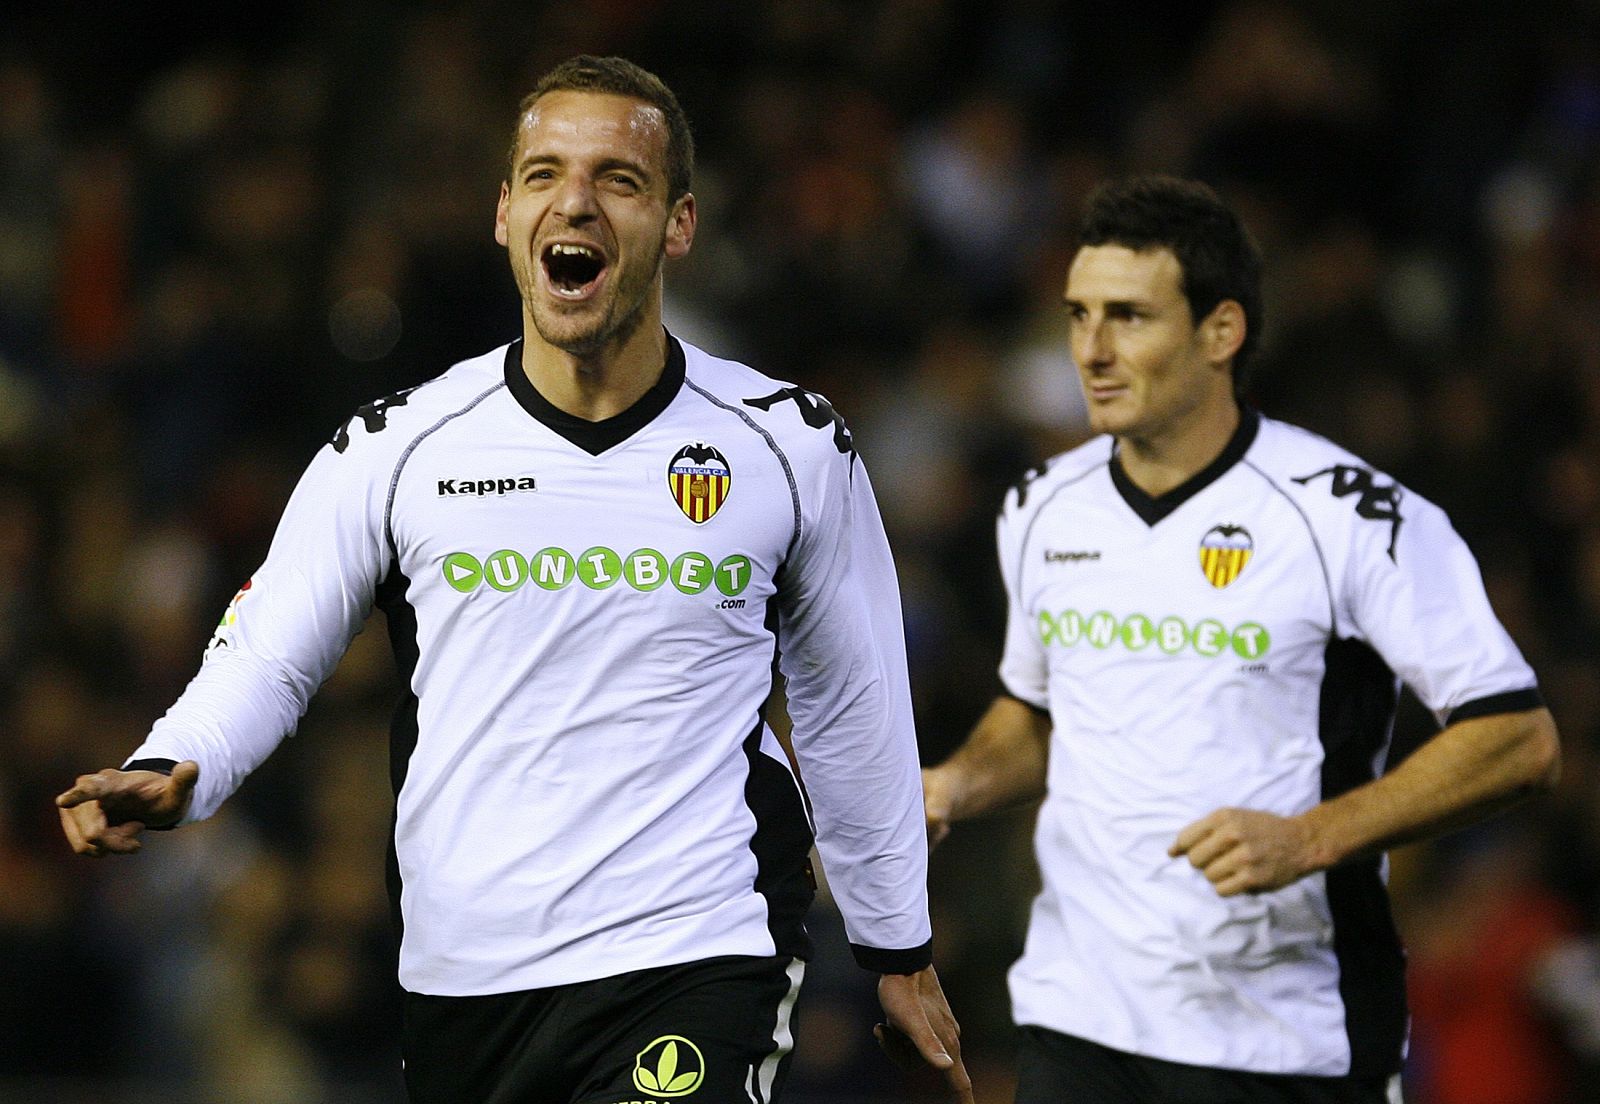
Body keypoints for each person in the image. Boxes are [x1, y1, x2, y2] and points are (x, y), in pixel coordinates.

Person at [57, 55, 971, 1104]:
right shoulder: (397, 447)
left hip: (694, 949)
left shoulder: (788, 448)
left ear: (678, 223)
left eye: (616, 180)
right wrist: (181, 759)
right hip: (467, 980)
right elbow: (270, 646)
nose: (573, 200)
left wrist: (895, 947)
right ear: (504, 214)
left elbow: (854, 706)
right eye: (543, 174)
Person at [921, 175, 1561, 1104]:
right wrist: (955, 783)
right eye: (1078, 315)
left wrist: (1310, 838)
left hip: (1285, 1039)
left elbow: (1520, 737)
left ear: (1221, 332)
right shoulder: (1039, 505)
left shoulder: (1348, 515)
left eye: (1130, 318)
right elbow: (1044, 716)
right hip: (1080, 1020)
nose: (1090, 351)